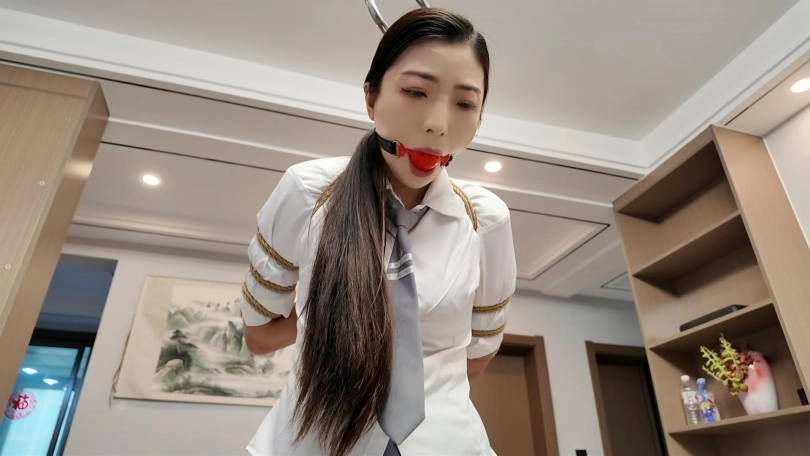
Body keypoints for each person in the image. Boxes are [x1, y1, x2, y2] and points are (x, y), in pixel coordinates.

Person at [240, 7, 516, 456]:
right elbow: (258, 335)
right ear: (370, 97)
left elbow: (477, 357)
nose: (439, 124)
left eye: (465, 104)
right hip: (314, 440)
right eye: (415, 92)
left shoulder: (487, 220)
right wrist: (330, 314)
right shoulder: (308, 193)